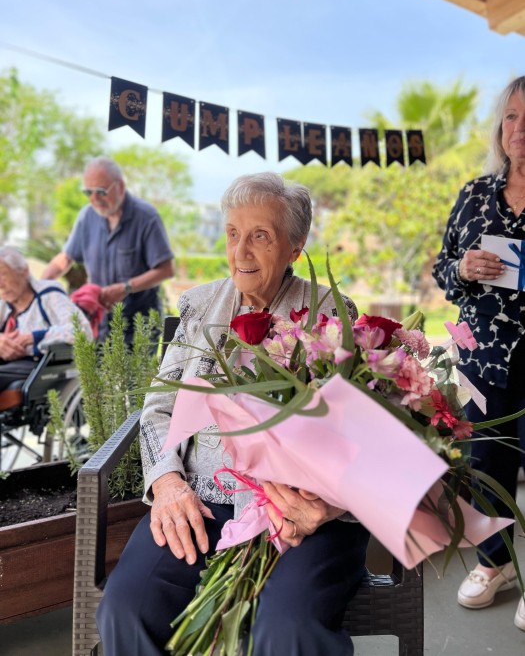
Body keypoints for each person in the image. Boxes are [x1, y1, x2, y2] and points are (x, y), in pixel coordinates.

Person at [96, 172, 370, 655]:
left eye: (260, 236)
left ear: (295, 247)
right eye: (232, 233)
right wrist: (167, 483)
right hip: (201, 499)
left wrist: (326, 503)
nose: (240, 251)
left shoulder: (331, 313)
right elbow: (159, 408)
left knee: (285, 627)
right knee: (127, 606)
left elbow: (357, 430)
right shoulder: (200, 306)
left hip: (299, 510)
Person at [432, 75, 525, 632]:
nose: (520, 129)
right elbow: (442, 267)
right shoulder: (474, 194)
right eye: (512, 117)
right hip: (484, 360)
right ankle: (497, 564)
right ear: (500, 127)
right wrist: (463, 268)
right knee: (487, 465)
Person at [42, 156, 175, 344]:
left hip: (139, 327)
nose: (94, 199)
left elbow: (166, 269)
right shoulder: (87, 216)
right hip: (99, 323)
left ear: (120, 186)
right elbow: (65, 258)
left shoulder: (146, 217)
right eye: (88, 192)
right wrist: (40, 285)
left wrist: (126, 287)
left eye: (101, 191)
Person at [0, 246, 92, 393]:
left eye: (3, 274)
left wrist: (34, 337)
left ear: (24, 271)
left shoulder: (49, 296)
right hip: (10, 367)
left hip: (41, 368)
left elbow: (81, 330)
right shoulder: (3, 305)